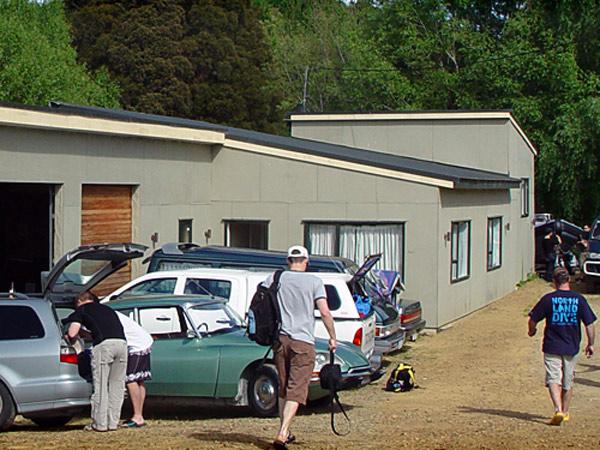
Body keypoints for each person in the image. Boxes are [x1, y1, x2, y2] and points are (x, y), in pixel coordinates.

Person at [265, 245, 337, 450]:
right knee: (296, 389)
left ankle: (285, 431)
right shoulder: (315, 281)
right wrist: (332, 337)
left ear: (288, 261)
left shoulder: (276, 278)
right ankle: (281, 433)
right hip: (303, 341)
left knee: (283, 386)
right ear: (306, 261)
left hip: (280, 340)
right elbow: (324, 312)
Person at [528, 267, 596, 426]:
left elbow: (533, 318)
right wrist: (591, 343)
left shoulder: (548, 299)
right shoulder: (579, 299)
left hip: (552, 345)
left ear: (554, 282)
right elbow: (590, 324)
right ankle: (565, 412)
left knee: (553, 378)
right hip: (571, 346)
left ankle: (557, 409)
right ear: (569, 280)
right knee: (568, 380)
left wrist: (532, 330)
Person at [64, 291, 128, 432]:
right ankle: (113, 423)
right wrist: (86, 333)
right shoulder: (108, 309)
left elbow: (72, 333)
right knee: (117, 386)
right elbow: (100, 330)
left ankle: (99, 424)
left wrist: (71, 338)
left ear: (79, 302)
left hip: (104, 347)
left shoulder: (82, 310)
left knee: (101, 386)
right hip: (122, 345)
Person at [116, 311, 153, 428]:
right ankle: (139, 415)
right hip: (143, 341)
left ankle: (138, 416)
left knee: (131, 379)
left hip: (137, 345)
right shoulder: (112, 312)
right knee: (139, 379)